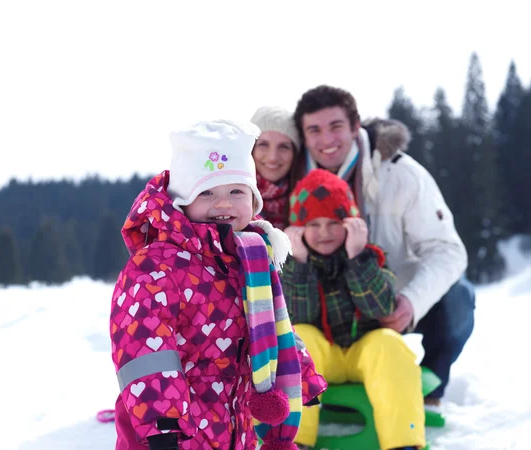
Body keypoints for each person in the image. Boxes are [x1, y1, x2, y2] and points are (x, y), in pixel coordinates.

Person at [109, 119, 327, 450]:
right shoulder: (156, 265)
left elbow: (272, 325)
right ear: (182, 202)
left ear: (253, 201)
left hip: (231, 417)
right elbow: (144, 346)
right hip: (168, 428)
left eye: (236, 192)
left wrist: (302, 375)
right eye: (207, 192)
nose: (223, 204)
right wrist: (163, 423)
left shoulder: (251, 255)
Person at [291, 85, 475, 408]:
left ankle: (426, 391)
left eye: (336, 126)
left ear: (355, 126)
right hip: (324, 309)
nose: (326, 140)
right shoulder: (293, 178)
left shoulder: (401, 175)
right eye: (314, 130)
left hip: (388, 300)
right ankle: (308, 390)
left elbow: (448, 250)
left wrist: (411, 302)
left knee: (459, 299)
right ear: (303, 136)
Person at [282, 168, 425, 450]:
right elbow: (295, 316)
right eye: (313, 224)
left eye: (333, 223)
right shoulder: (291, 265)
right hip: (321, 359)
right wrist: (298, 263)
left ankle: (403, 442)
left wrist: (358, 257)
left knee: (389, 343)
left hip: (365, 355)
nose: (324, 233)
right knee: (299, 337)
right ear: (298, 229)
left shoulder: (369, 257)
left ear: (350, 224)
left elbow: (381, 307)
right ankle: (295, 440)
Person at [250, 106, 303, 229]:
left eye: (284, 147)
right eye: (263, 144)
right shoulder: (229, 194)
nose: (272, 157)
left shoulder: (308, 197)